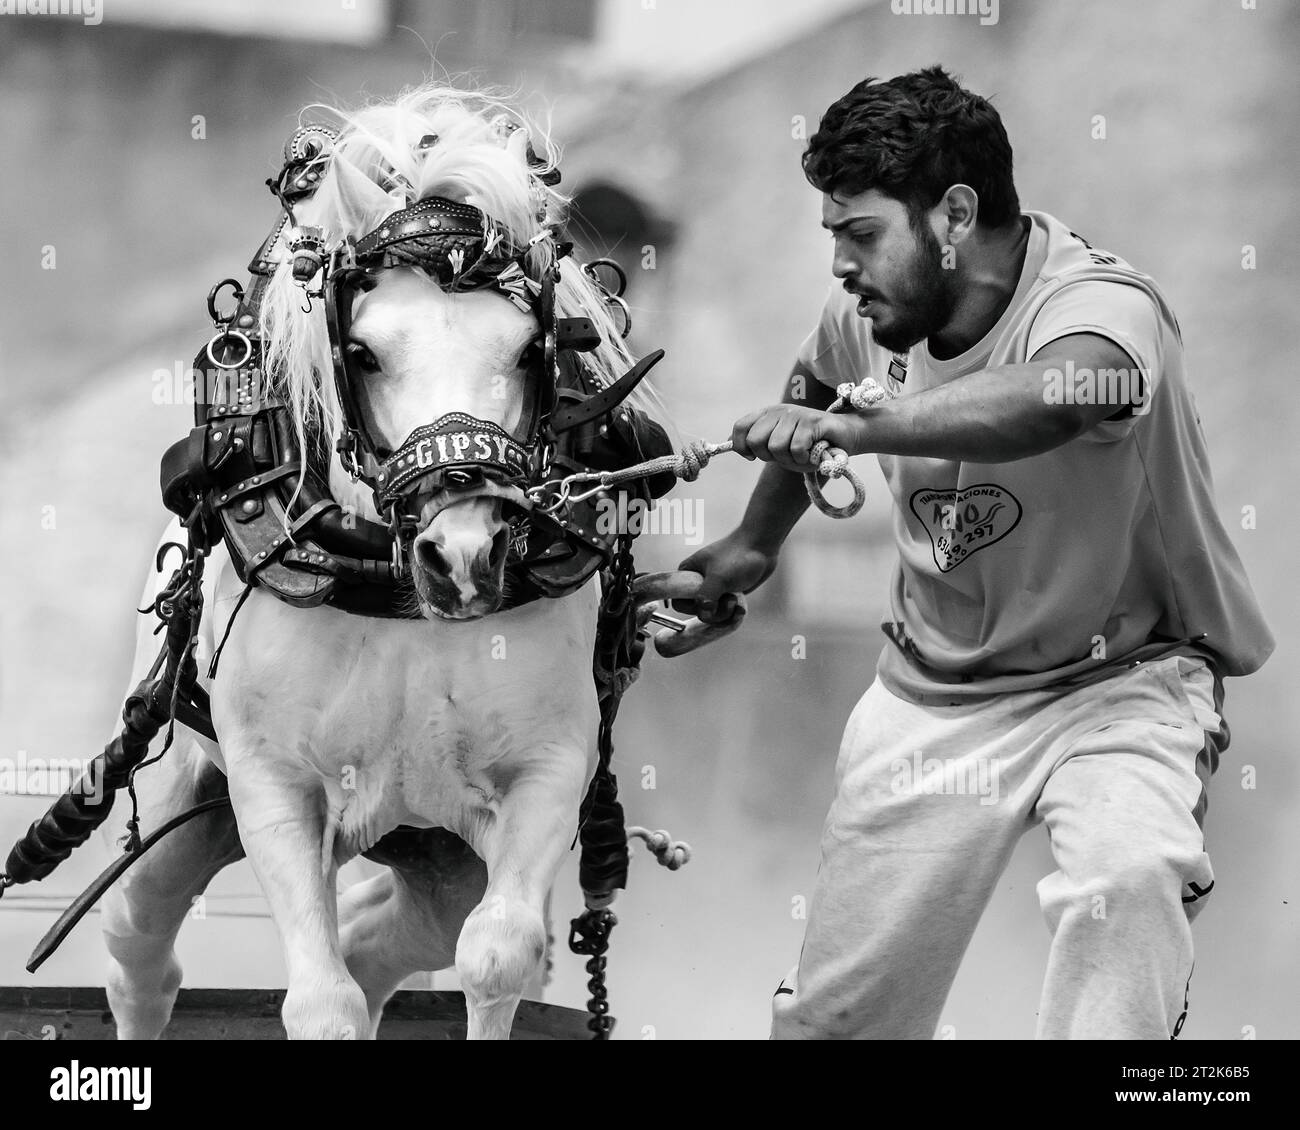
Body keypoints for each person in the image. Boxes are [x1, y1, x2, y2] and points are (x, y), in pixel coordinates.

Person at [677, 66, 1274, 1039]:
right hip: (932, 696)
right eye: (831, 235)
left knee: (1125, 881)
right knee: (833, 1027)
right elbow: (814, 383)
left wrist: (864, 433)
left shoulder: (1101, 303)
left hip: (1121, 681)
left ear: (954, 214)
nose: (838, 263)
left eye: (859, 233)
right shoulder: (862, 322)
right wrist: (752, 543)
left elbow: (1058, 395)